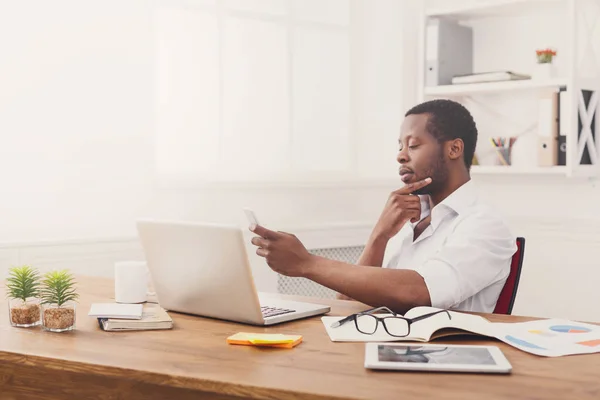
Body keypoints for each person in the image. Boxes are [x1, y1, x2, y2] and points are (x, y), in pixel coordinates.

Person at [249, 99, 517, 314]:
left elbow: (418, 293)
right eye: (400, 146)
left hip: (443, 366)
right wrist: (379, 235)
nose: (401, 155)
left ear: (454, 149)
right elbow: (346, 304)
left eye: (413, 145)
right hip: (385, 350)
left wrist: (306, 263)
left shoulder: (484, 224)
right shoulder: (406, 218)